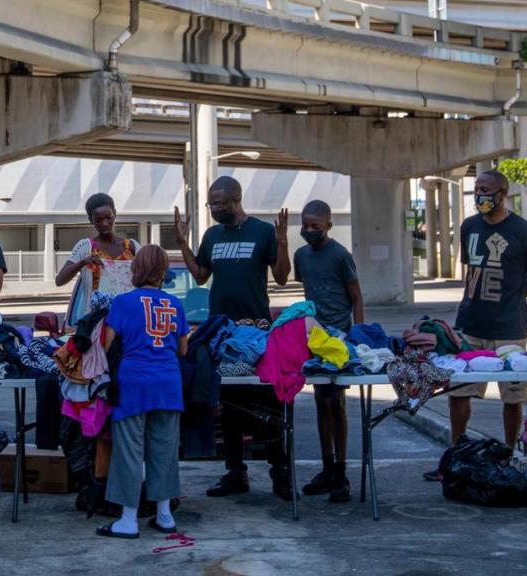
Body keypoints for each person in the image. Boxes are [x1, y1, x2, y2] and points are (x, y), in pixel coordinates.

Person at [174, 175, 292, 499]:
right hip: (222, 334)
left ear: (237, 200)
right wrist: (183, 242)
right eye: (211, 203)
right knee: (228, 404)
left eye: (220, 203)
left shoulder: (263, 232)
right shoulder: (212, 236)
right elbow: (200, 276)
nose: (214, 209)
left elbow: (282, 278)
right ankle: (235, 473)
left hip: (255, 333)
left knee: (267, 403)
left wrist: (282, 242)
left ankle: (281, 473)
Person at [422, 169, 527, 479]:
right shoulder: (469, 226)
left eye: (485, 189)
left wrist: (511, 296)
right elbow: (470, 271)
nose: (479, 195)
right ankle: (454, 457)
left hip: (510, 330)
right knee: (459, 393)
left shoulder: (524, 232)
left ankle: (511, 459)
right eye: (476, 189)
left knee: (512, 397)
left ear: (502, 194)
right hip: (471, 325)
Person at [96, 245, 188, 539]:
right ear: (163, 272)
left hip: (133, 383)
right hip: (168, 383)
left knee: (129, 451)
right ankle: (164, 515)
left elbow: (105, 345)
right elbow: (183, 348)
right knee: (164, 450)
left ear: (137, 269)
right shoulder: (176, 304)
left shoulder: (123, 303)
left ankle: (128, 519)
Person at [293, 200, 364, 503]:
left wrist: (358, 337)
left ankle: (341, 471)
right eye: (305, 225)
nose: (309, 231)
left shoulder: (340, 256)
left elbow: (357, 298)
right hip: (314, 337)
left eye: (315, 226)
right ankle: (326, 467)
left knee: (337, 400)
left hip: (341, 337)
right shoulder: (301, 256)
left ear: (328, 226)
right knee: (321, 400)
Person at [55, 193, 137, 307]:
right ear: (90, 220)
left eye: (108, 217)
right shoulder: (85, 247)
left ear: (115, 213)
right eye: (98, 220)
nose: (104, 223)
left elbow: (151, 275)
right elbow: (59, 281)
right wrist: (83, 262)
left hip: (128, 318)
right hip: (97, 321)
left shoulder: (132, 247)